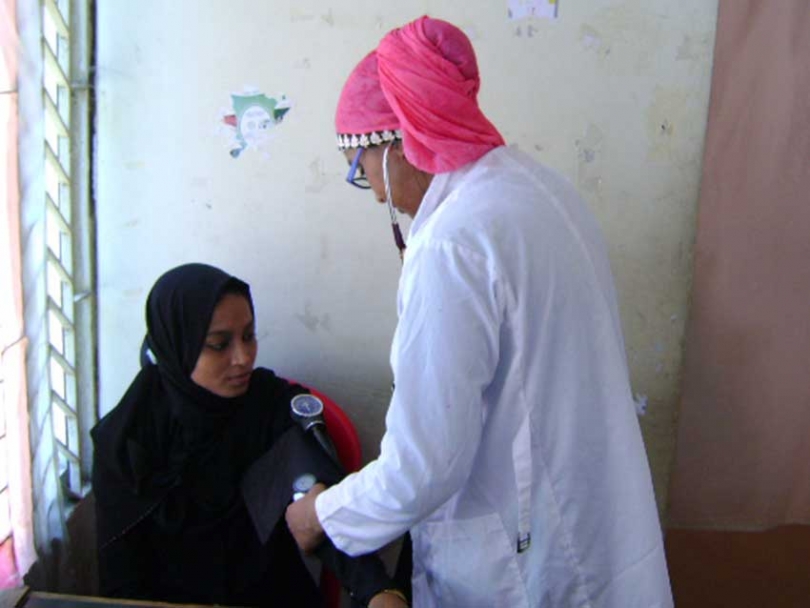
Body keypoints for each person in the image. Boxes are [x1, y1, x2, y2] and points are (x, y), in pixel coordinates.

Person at [285, 16, 674, 608]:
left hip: (527, 553)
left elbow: (425, 465)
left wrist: (322, 515)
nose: (377, 192)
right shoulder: (537, 188)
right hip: (584, 512)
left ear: (395, 145)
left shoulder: (452, 242)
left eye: (359, 166)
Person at [91, 263, 407, 608]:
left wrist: (379, 591)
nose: (243, 358)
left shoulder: (268, 409)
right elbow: (121, 582)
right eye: (218, 344)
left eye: (248, 336)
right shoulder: (127, 444)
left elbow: (314, 507)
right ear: (176, 345)